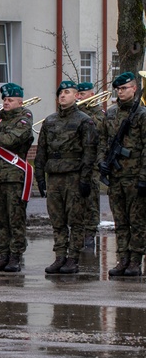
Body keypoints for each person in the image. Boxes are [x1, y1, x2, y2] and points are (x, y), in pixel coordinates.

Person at [34, 80, 97, 274]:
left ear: (76, 96)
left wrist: (85, 179)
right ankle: (60, 256)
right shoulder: (50, 121)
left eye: (67, 92)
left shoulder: (84, 120)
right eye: (60, 92)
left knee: (75, 219)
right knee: (57, 219)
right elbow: (42, 151)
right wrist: (40, 177)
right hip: (54, 176)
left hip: (74, 175)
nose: (62, 95)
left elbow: (89, 151)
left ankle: (73, 258)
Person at [98, 72, 146, 276]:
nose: (120, 92)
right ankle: (123, 259)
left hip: (135, 177)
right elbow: (103, 141)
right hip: (117, 177)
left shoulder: (142, 114)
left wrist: (144, 177)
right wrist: (102, 161)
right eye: (118, 89)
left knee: (137, 221)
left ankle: (135, 261)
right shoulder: (111, 114)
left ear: (134, 89)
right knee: (120, 221)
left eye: (124, 88)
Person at [0, 83, 35, 273]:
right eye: (4, 100)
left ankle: (15, 256)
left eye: (10, 100)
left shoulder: (24, 119)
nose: (6, 103)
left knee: (15, 219)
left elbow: (10, 141)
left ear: (20, 102)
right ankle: (4, 255)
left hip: (14, 176)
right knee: (0, 219)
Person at [76, 81, 103, 248]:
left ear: (91, 95)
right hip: (76, 162)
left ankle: (90, 233)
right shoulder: (74, 113)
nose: (79, 97)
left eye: (82, 94)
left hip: (92, 164)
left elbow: (97, 130)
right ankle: (78, 232)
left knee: (91, 200)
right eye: (77, 94)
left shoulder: (98, 113)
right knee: (76, 201)